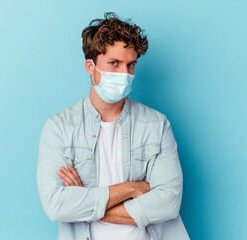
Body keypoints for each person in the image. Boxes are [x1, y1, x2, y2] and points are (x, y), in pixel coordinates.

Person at [37, 12, 190, 240]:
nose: (124, 74)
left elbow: (168, 203)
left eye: (130, 65)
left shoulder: (157, 124)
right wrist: (130, 189)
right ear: (91, 67)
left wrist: (85, 201)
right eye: (114, 63)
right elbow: (56, 206)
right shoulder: (59, 127)